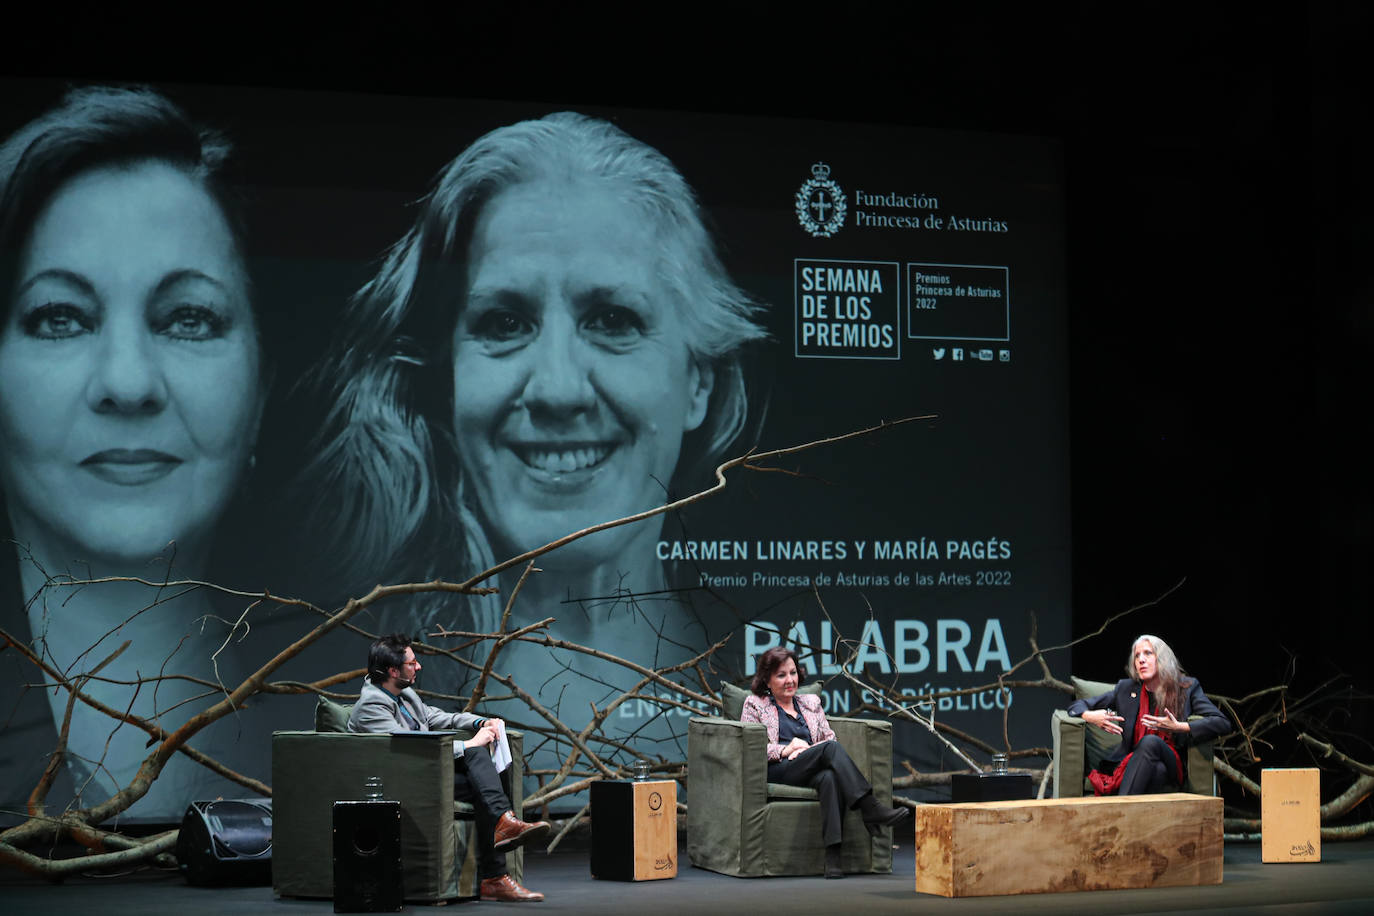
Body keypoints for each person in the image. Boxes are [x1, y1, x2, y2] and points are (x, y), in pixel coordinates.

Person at [302, 112, 769, 764]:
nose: (556, 390)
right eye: (504, 321)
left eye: (612, 319)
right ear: (448, 380)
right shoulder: (377, 676)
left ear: (699, 381)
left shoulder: (758, 686)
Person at [0, 85, 271, 819]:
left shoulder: (347, 702)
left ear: (263, 386)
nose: (128, 383)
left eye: (188, 318)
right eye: (60, 318)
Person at [348, 634, 550, 902]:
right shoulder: (371, 706)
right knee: (479, 764)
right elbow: (408, 748)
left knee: (486, 779)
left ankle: (500, 851)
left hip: (426, 772)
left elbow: (435, 717)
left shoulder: (404, 693)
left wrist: (479, 723)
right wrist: (469, 745)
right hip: (398, 780)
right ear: (393, 671)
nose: (418, 667)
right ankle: (496, 871)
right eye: (412, 663)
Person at [740, 646, 909, 878]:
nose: (790, 680)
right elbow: (750, 747)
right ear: (767, 681)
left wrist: (809, 751)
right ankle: (869, 807)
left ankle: (833, 856)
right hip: (778, 768)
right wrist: (785, 749)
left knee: (829, 777)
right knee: (830, 750)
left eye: (793, 673)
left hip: (807, 764)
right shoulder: (755, 705)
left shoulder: (810, 703)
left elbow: (829, 738)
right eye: (781, 675)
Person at [1067, 634, 1232, 795]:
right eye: (1137, 655)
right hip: (1139, 762)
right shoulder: (1126, 689)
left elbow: (1222, 723)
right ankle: (1130, 818)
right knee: (1156, 772)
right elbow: (1076, 706)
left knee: (1150, 742)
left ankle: (1119, 812)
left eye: (1148, 653)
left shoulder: (1186, 688)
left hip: (1172, 762)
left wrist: (1180, 727)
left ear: (1162, 658)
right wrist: (1090, 716)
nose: (1141, 660)